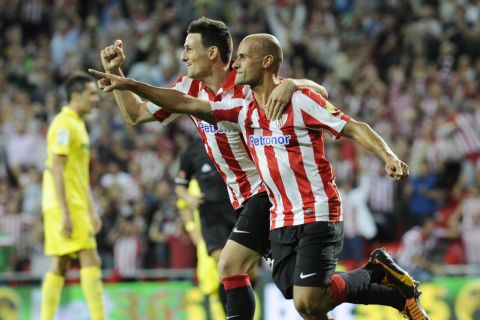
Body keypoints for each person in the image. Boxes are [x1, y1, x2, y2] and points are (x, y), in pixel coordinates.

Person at [89, 33, 430, 320]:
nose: (236, 63)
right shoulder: (242, 110)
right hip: (280, 217)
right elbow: (186, 105)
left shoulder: (297, 100)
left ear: (265, 63)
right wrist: (128, 82)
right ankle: (388, 285)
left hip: (315, 209)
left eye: (243, 58)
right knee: (300, 297)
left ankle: (376, 273)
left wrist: (388, 155)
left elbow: (352, 124)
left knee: (301, 299)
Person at [98, 17, 328, 318]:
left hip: (270, 193)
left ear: (212, 53)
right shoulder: (188, 87)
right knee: (300, 295)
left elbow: (319, 93)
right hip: (240, 199)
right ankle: (377, 283)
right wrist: (115, 71)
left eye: (189, 48)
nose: (183, 56)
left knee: (232, 267)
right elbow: (136, 114)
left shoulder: (247, 78)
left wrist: (295, 84)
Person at [40, 72, 104, 320]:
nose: (96, 100)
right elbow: (56, 168)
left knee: (60, 263)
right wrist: (66, 212)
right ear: (75, 96)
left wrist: (92, 209)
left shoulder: (77, 123)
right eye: (91, 95)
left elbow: (79, 175)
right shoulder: (64, 124)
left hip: (73, 204)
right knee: (92, 260)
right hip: (64, 205)